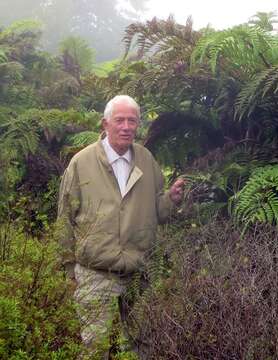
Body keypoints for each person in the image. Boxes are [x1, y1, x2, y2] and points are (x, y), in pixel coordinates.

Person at [57, 95, 184, 358]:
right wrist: (68, 268)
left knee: (144, 343)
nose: (126, 126)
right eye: (119, 120)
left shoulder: (147, 161)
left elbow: (159, 213)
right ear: (105, 124)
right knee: (95, 346)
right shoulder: (82, 162)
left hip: (140, 271)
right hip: (95, 270)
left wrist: (171, 200)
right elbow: (64, 218)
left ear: (138, 125)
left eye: (132, 121)